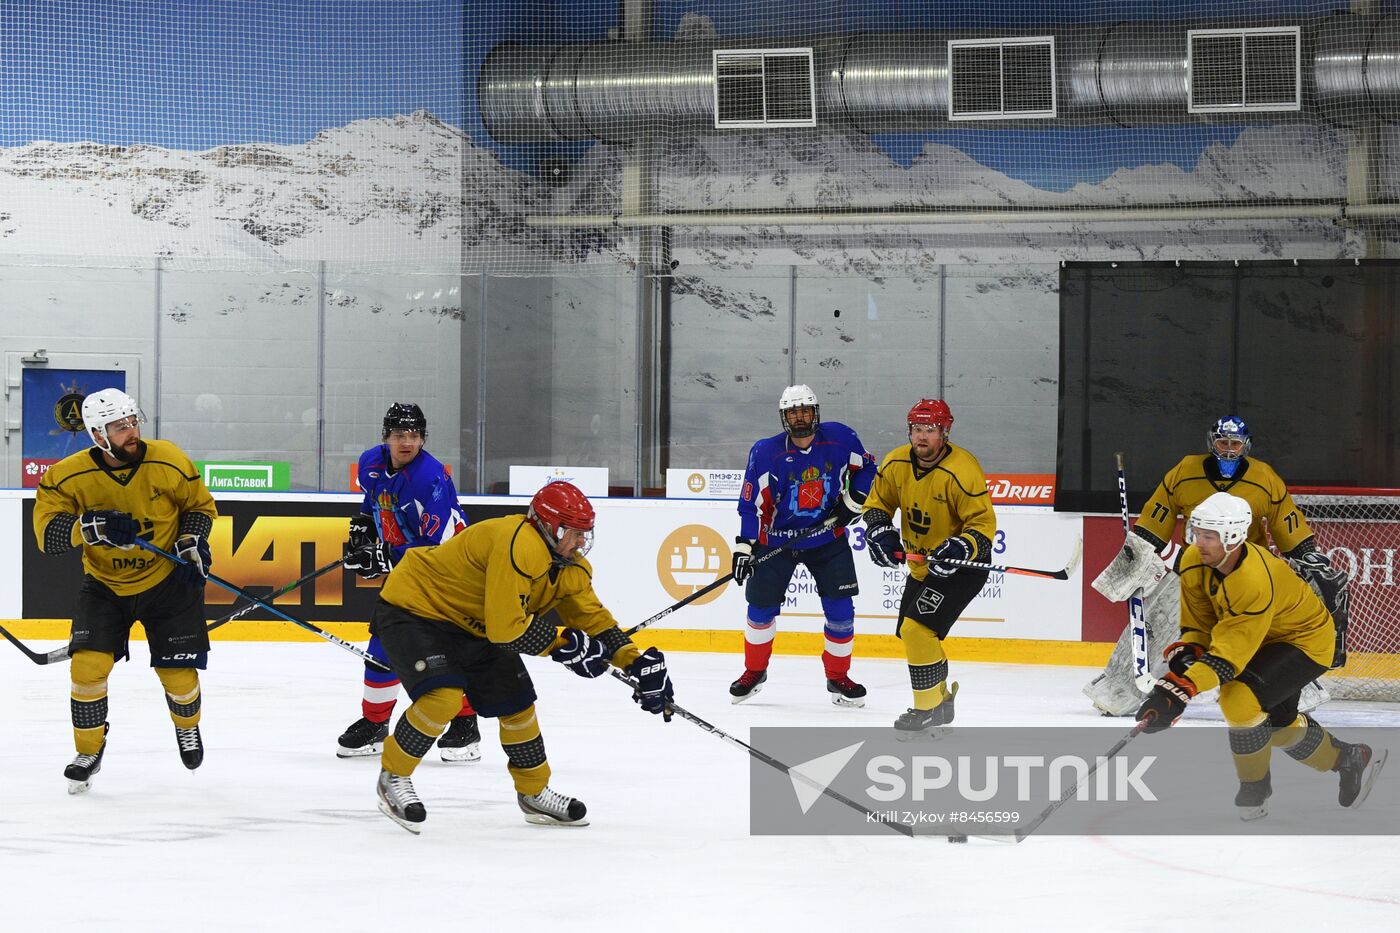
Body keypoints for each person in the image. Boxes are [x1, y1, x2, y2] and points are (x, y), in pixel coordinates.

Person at [369, 481, 674, 833]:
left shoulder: (571, 566)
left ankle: (533, 793)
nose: (580, 542)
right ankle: (393, 778)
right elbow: (507, 630)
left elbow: (592, 619)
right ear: (548, 525)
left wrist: (634, 662)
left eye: (584, 534)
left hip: (476, 625)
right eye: (573, 533)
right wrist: (562, 645)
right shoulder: (518, 544)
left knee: (517, 705)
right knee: (443, 699)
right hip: (417, 608)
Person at [1134, 492, 1385, 820]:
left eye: (1209, 536)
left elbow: (1228, 657)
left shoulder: (1252, 579)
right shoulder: (1195, 560)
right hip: (1261, 640)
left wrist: (1179, 688)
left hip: (1305, 641)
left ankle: (1254, 787)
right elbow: (1199, 625)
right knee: (1276, 725)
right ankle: (1348, 759)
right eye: (1197, 532)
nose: (1199, 542)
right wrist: (1188, 656)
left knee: (1238, 699)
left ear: (1233, 537)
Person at [1087, 415, 1349, 715]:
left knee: (1267, 634)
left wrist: (1306, 554)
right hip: (1196, 567)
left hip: (1249, 571)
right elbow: (1159, 514)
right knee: (1159, 621)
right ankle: (1117, 688)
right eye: (1223, 442)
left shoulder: (1264, 477)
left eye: (1234, 443)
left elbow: (1286, 521)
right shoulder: (1185, 471)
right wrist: (1141, 551)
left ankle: (1293, 692)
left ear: (1245, 445)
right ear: (1212, 442)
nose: (1228, 449)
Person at [32, 388, 218, 793]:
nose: (132, 431)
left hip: (168, 583)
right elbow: (47, 536)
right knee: (87, 669)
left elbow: (199, 508)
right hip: (104, 586)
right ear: (97, 434)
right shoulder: (66, 475)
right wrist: (88, 527)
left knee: (178, 675)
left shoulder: (168, 458)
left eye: (133, 421)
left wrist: (190, 541)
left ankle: (187, 727)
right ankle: (88, 751)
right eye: (119, 426)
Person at [336, 403, 482, 762]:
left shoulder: (430, 479)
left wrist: (384, 556)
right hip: (408, 570)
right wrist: (364, 527)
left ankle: (465, 725)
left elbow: (435, 546)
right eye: (400, 434)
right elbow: (373, 501)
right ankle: (375, 724)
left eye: (414, 435)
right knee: (383, 644)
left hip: (450, 573)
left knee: (444, 650)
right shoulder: (371, 462)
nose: (407, 442)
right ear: (386, 437)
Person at [729, 384, 877, 706]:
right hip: (776, 541)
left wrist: (853, 501)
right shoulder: (765, 452)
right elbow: (750, 505)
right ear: (784, 417)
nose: (799, 417)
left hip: (827, 539)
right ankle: (754, 671)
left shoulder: (841, 438)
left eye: (805, 411)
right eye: (793, 412)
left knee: (841, 612)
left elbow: (867, 468)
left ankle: (838, 676)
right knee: (760, 610)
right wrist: (745, 546)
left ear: (815, 413)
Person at [862, 399, 996, 736]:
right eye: (917, 429)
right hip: (922, 565)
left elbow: (982, 527)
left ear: (945, 432)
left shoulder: (962, 469)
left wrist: (960, 546)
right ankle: (941, 702)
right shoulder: (896, 462)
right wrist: (881, 532)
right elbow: (877, 504)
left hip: (962, 567)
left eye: (930, 430)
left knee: (917, 630)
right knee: (913, 634)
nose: (922, 436)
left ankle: (925, 710)